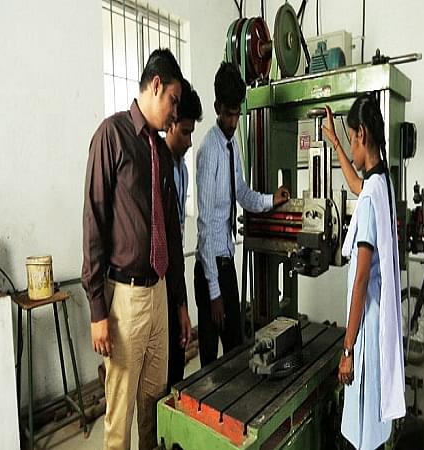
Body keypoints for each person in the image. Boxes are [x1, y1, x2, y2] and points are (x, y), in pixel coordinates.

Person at [82, 48, 188, 450]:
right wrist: (97, 311)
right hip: (125, 299)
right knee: (120, 413)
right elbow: (94, 223)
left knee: (153, 403)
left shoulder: (160, 152)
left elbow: (171, 234)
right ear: (156, 85)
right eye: (173, 101)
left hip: (158, 294)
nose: (175, 114)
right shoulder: (112, 136)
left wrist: (179, 302)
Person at [323, 95, 406, 450]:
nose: (351, 146)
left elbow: (360, 280)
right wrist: (335, 143)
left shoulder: (372, 198)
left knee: (363, 429)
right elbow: (357, 184)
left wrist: (347, 349)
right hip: (377, 322)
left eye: (351, 137)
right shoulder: (383, 183)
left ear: (363, 134)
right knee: (373, 423)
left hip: (367, 330)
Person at [195, 62, 290, 367]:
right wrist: (214, 293)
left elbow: (243, 193)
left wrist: (272, 199)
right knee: (209, 360)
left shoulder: (232, 144)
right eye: (228, 114)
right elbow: (205, 226)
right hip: (209, 268)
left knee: (234, 348)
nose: (234, 122)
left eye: (237, 114)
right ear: (216, 108)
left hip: (226, 263)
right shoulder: (209, 151)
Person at [163, 79, 202, 388]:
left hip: (175, 274)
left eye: (192, 133)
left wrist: (182, 302)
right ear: (170, 124)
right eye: (185, 132)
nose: (189, 142)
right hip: (157, 280)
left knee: (177, 359)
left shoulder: (183, 171)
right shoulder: (157, 166)